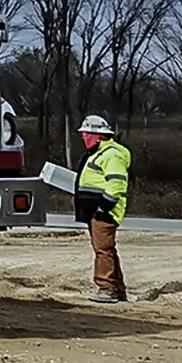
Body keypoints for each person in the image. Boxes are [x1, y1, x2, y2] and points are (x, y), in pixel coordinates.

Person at [75, 114, 132, 303]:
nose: (83, 137)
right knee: (107, 249)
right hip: (97, 211)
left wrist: (103, 208)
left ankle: (106, 289)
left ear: (97, 135)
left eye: (85, 134)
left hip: (104, 211)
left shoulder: (111, 154)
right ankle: (117, 290)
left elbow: (116, 184)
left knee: (103, 250)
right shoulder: (100, 153)